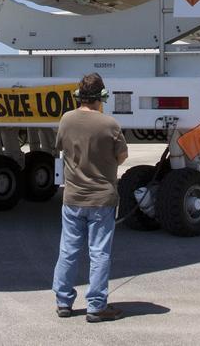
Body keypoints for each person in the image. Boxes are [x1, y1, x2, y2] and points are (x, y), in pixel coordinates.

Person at [52, 72, 128, 323]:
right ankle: (96, 306)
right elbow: (121, 157)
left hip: (72, 198)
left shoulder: (66, 120)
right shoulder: (110, 125)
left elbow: (60, 146)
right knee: (99, 253)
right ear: (102, 96)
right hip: (102, 200)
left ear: (78, 96)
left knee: (68, 250)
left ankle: (63, 302)